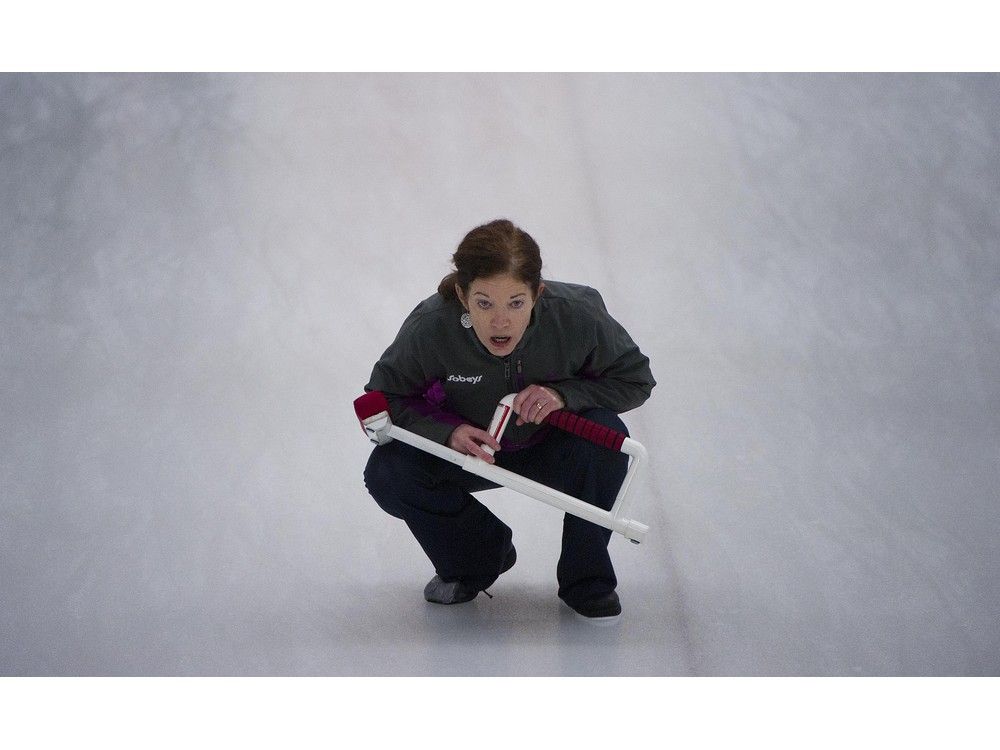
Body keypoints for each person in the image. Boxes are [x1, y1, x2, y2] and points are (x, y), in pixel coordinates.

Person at [362, 219, 655, 620]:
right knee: (387, 471)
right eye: (485, 303)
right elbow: (384, 396)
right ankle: (479, 557)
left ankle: (587, 578)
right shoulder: (431, 326)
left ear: (538, 293)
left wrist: (564, 395)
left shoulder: (577, 314)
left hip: (552, 446)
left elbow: (635, 378)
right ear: (463, 295)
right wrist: (447, 432)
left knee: (607, 436)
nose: (500, 321)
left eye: (516, 302)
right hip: (470, 453)